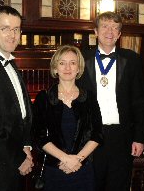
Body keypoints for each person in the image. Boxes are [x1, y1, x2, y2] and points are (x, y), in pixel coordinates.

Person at [77, 11, 144, 191]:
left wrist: (139, 137)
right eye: (105, 26)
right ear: (96, 31)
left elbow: (138, 102)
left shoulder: (132, 59)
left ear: (120, 34)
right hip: (90, 135)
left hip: (122, 136)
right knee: (92, 184)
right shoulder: (81, 59)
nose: (110, 31)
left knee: (119, 185)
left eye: (115, 28)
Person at [32, 45, 103, 191]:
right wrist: (65, 159)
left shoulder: (89, 97)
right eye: (62, 63)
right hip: (54, 170)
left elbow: (97, 134)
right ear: (55, 68)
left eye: (72, 63)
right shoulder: (44, 98)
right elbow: (38, 136)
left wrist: (77, 160)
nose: (67, 67)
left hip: (83, 170)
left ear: (78, 68)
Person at [0, 6, 33, 191]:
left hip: (14, 159)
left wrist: (27, 144)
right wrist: (18, 158)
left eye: (16, 29)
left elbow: (22, 112)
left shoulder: (12, 63)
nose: (12, 34)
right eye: (5, 28)